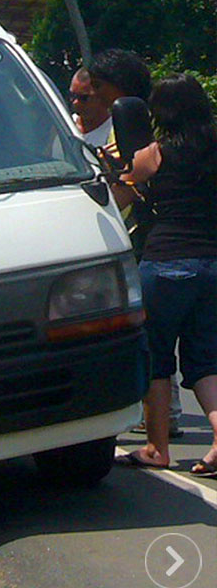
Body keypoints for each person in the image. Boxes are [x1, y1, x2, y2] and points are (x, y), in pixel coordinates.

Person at [113, 74, 217, 476]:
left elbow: (121, 193)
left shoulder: (154, 154)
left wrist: (119, 169)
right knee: (206, 359)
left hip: (167, 262)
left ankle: (156, 448)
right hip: (212, 263)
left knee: (157, 357)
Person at [87, 50, 183, 436]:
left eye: (96, 87)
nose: (92, 96)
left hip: (143, 237)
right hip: (158, 239)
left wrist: (115, 182)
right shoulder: (142, 119)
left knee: (150, 334)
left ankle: (162, 416)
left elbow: (134, 182)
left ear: (118, 86)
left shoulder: (129, 121)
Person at [69, 67, 112, 147]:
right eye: (73, 95)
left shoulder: (114, 133)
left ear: (101, 96)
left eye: (83, 98)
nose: (75, 102)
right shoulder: (64, 125)